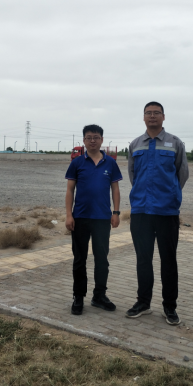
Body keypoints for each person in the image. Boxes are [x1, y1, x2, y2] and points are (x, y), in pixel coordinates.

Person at [126, 102, 189, 325]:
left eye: (156, 113)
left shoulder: (175, 143)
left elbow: (182, 174)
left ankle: (169, 307)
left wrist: (170, 194)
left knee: (168, 261)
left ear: (163, 117)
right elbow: (133, 174)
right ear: (143, 117)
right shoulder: (135, 144)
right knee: (143, 260)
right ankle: (143, 302)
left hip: (166, 211)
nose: (152, 116)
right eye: (148, 113)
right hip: (141, 211)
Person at [65, 124, 122, 315]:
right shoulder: (77, 163)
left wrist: (116, 212)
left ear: (101, 140)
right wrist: (69, 215)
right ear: (83, 140)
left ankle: (99, 296)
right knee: (79, 260)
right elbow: (70, 190)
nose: (92, 141)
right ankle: (78, 297)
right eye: (88, 137)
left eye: (96, 137)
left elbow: (115, 189)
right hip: (80, 218)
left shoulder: (110, 163)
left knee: (102, 260)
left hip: (102, 219)